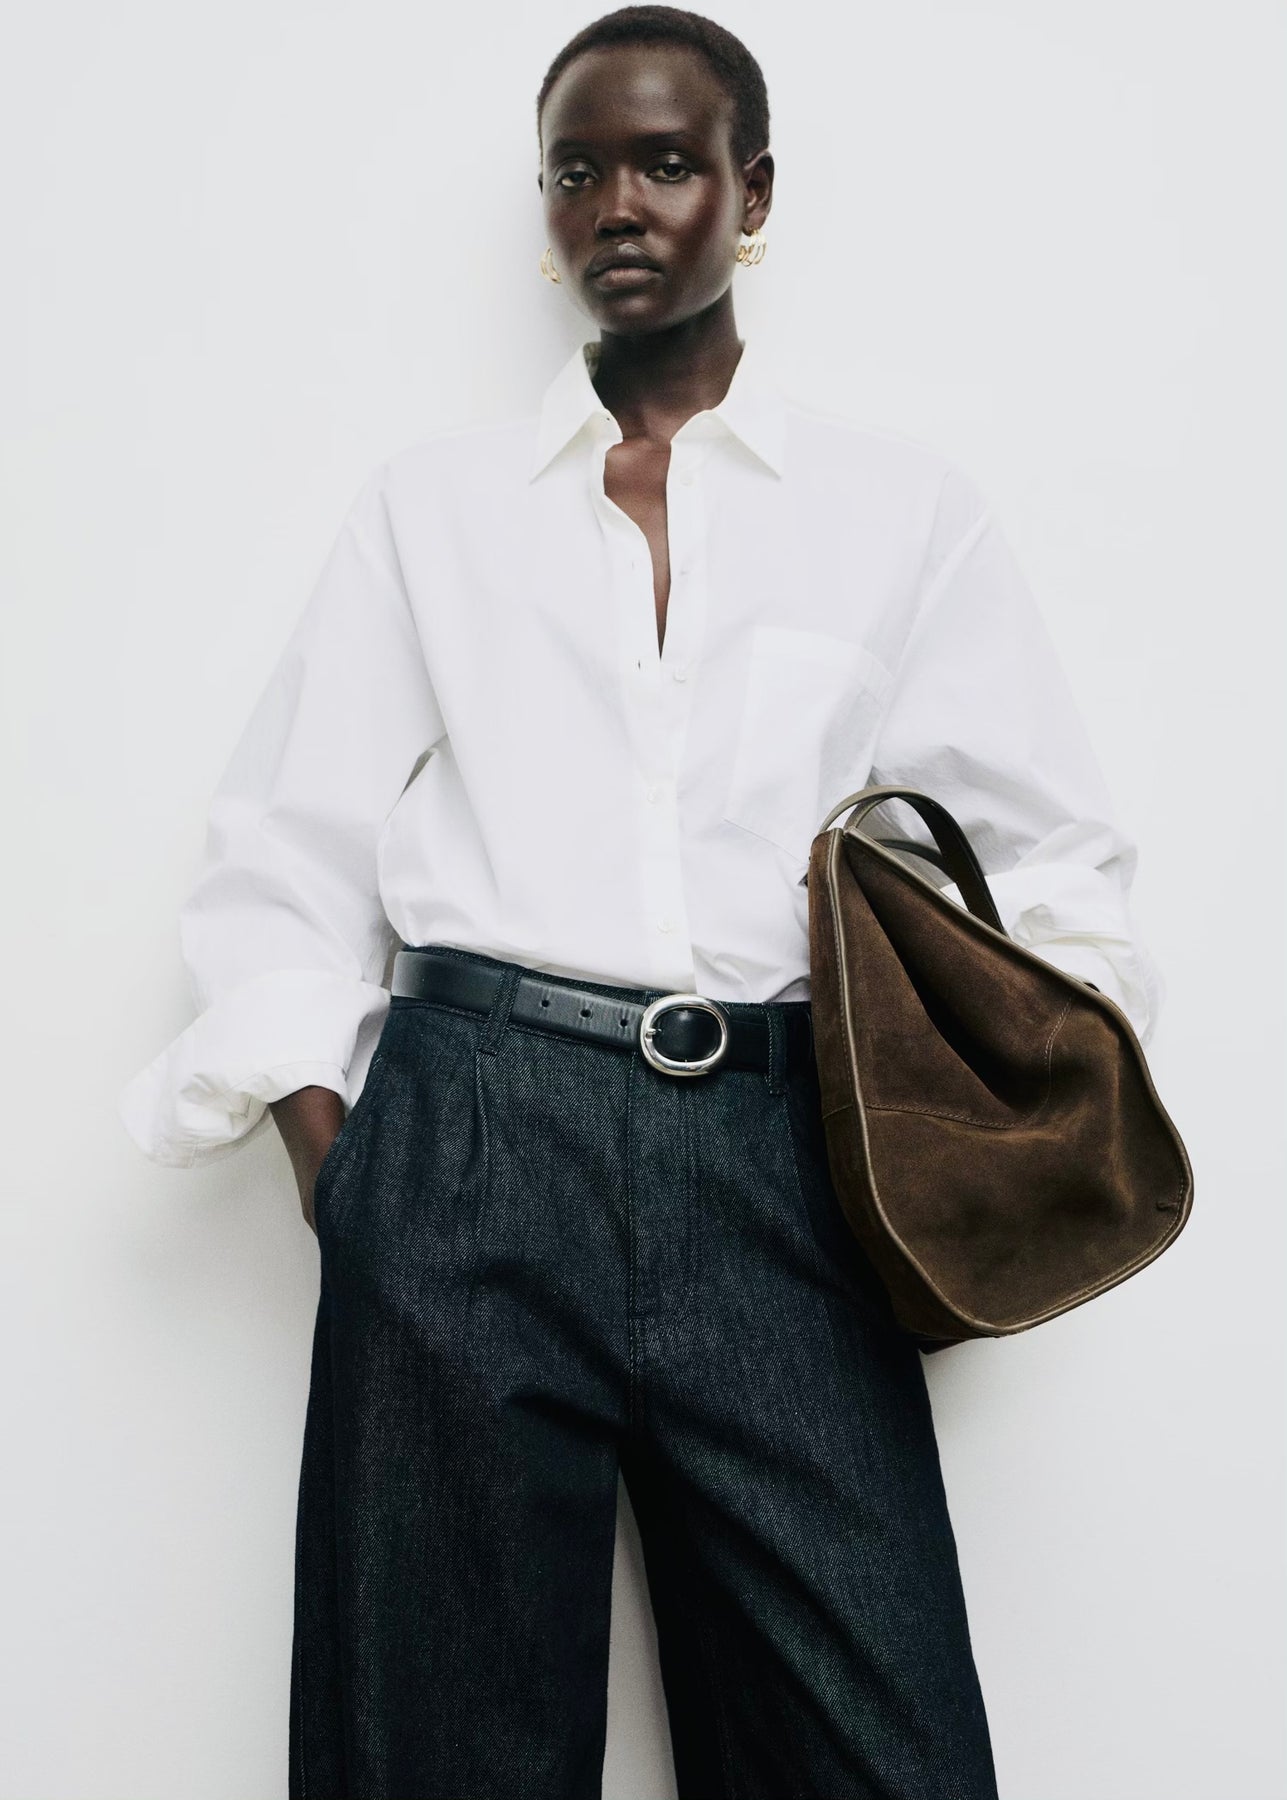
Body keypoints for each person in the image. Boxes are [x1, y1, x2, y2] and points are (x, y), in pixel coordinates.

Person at [119, 6, 1161, 1796]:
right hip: (468, 1137)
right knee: (425, 1750)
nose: (617, 203)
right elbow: (285, 851)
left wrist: (1005, 1147)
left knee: (880, 1742)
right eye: (577, 170)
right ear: (546, 215)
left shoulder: (900, 513)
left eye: (668, 163)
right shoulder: (434, 510)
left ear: (752, 195)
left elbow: (1054, 865)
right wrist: (350, 1180)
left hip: (785, 1160)